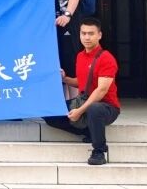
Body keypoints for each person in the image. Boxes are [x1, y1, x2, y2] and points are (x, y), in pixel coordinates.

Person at [44, 18, 120, 166]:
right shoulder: (80, 56)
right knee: (50, 112)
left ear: (99, 35)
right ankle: (89, 131)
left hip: (106, 107)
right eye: (83, 33)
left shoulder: (106, 58)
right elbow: (81, 82)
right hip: (84, 101)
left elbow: (101, 90)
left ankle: (99, 151)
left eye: (91, 33)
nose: (87, 37)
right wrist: (64, 78)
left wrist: (79, 111)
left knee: (94, 109)